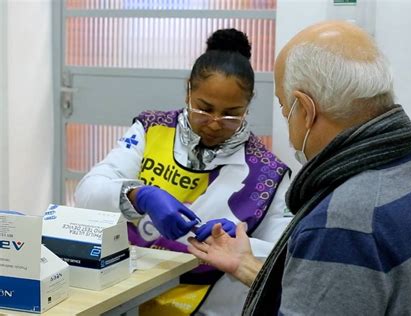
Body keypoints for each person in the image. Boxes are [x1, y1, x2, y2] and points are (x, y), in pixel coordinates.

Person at [187, 21, 411, 315]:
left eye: (285, 110)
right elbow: (345, 296)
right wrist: (246, 264)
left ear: (305, 110)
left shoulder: (343, 221)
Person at [74, 28, 292, 315]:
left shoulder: (267, 172)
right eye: (204, 108)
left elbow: (286, 257)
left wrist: (243, 243)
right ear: (188, 90)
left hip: (207, 304)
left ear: (248, 106)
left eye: (231, 115)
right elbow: (88, 193)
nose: (214, 123)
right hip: (126, 293)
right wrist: (139, 195)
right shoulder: (152, 130)